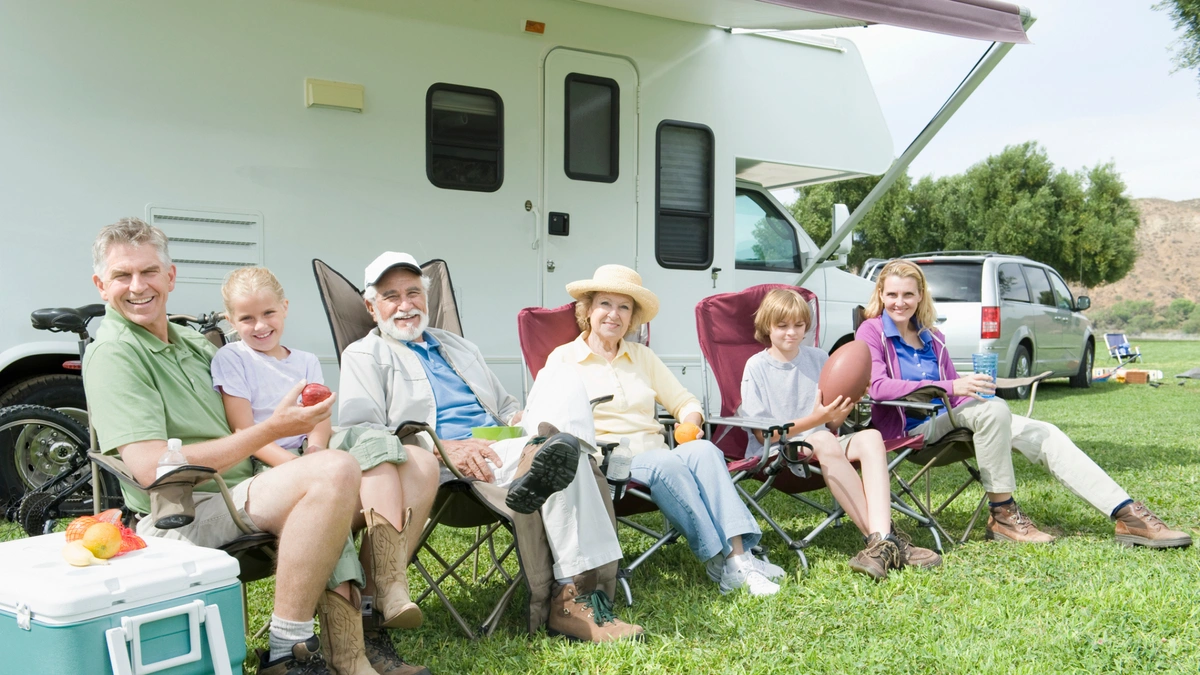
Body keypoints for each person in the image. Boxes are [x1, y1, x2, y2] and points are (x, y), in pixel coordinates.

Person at [82, 218, 367, 675]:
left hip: (246, 487)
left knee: (386, 462)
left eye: (150, 272)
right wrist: (273, 430)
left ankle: (360, 639)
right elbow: (152, 469)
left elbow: (258, 378)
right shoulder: (115, 354)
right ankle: (288, 651)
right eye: (122, 275)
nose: (138, 286)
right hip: (183, 511)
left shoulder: (193, 342)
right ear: (101, 285)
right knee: (332, 472)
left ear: (170, 277)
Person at [337, 252, 643, 643]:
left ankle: (546, 461)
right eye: (391, 296)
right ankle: (572, 597)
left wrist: (520, 422)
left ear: (426, 298)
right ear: (370, 305)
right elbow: (361, 430)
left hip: (509, 446)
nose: (406, 304)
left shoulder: (460, 347)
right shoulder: (365, 355)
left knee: (560, 376)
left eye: (414, 293)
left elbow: (506, 409)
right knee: (574, 457)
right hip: (451, 462)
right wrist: (442, 446)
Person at [857, 260, 1191, 548]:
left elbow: (956, 396)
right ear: (881, 296)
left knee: (1045, 433)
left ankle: (1127, 514)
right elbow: (880, 387)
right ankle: (1003, 514)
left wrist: (974, 387)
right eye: (892, 294)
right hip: (911, 431)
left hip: (954, 421)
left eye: (908, 294)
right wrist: (953, 385)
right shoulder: (871, 331)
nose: (899, 302)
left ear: (920, 296)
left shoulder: (933, 337)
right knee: (993, 410)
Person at [211, 266, 434, 675]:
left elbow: (320, 419)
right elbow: (246, 431)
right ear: (230, 321)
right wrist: (306, 466)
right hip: (272, 462)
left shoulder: (306, 360)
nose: (260, 326)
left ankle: (390, 587)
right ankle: (348, 654)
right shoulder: (233, 358)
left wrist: (316, 449)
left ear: (285, 308)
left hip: (313, 452)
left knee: (377, 442)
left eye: (268, 313)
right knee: (329, 492)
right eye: (246, 318)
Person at [544, 265, 786, 597]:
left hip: (657, 454)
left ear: (632, 319)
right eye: (605, 304)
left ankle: (738, 561)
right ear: (587, 310)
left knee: (705, 451)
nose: (613, 315)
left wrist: (690, 422)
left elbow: (685, 401)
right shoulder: (564, 359)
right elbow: (547, 417)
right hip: (607, 462)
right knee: (666, 462)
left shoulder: (641, 356)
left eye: (624, 307)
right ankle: (724, 559)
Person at [738, 288, 942, 579]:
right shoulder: (756, 367)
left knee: (870, 436)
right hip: (778, 450)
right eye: (782, 326)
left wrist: (848, 402)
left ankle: (882, 539)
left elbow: (833, 424)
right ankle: (887, 543)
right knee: (821, 438)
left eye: (798, 326)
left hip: (822, 443)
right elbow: (763, 436)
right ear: (766, 327)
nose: (791, 333)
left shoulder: (819, 358)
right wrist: (818, 419)